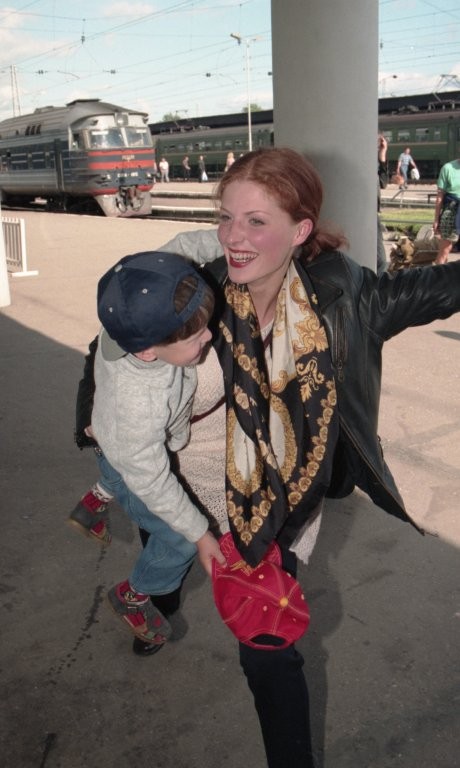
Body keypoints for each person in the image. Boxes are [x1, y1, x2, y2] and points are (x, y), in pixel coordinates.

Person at [76, 148, 460, 768]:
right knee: (172, 556)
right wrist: (103, 427)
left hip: (274, 491)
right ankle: (149, 600)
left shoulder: (342, 295)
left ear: (300, 229)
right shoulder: (189, 282)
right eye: (226, 218)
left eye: (257, 221)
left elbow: (438, 288)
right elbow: (118, 361)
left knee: (269, 643)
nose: (234, 237)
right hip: (179, 475)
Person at [82, 251, 225, 650]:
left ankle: (93, 503)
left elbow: (168, 256)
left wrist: (221, 239)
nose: (208, 337)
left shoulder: (128, 318)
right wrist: (200, 535)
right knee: (178, 540)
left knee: (117, 461)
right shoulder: (140, 404)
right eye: (195, 337)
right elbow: (152, 480)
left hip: (115, 438)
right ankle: (133, 595)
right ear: (147, 351)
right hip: (132, 459)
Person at [433, 157, 460, 264]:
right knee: (444, 251)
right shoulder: (448, 168)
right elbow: (439, 197)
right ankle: (438, 273)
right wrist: (436, 219)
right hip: (451, 212)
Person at [377, 134, 389, 275]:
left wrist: (382, 155)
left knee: (381, 261)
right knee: (381, 260)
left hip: (373, 214)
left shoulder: (375, 163)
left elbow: (383, 182)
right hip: (365, 214)